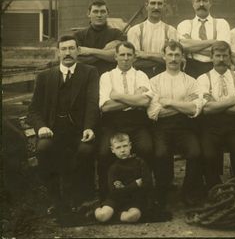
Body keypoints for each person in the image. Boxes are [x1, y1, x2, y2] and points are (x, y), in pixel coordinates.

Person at [28, 35, 99, 214]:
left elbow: (92, 103)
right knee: (43, 148)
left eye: (71, 48)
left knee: (86, 150)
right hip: (52, 130)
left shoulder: (89, 72)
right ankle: (55, 198)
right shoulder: (45, 76)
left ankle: (80, 196)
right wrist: (41, 127)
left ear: (78, 51)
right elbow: (33, 110)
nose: (68, 53)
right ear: (58, 52)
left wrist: (89, 127)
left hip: (78, 130)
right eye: (64, 49)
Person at [147, 40, 204, 211]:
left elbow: (195, 108)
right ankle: (162, 192)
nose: (173, 58)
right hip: (161, 128)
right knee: (161, 153)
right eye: (170, 54)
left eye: (177, 55)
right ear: (163, 56)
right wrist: (181, 105)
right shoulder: (154, 81)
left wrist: (169, 103)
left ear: (183, 57)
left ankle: (188, 192)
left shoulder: (191, 82)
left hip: (185, 127)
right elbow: (154, 112)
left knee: (195, 152)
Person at [98, 41, 154, 200]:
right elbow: (106, 107)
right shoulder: (106, 76)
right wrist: (133, 98)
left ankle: (144, 193)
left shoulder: (141, 75)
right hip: (112, 123)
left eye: (129, 55)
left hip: (137, 122)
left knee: (147, 148)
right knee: (103, 152)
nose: (125, 58)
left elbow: (145, 102)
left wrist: (117, 96)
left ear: (135, 57)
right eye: (122, 54)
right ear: (115, 56)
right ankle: (106, 194)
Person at [197, 41, 235, 189]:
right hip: (211, 128)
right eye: (218, 56)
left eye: (225, 56)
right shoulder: (202, 79)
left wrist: (217, 104)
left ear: (230, 57)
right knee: (208, 156)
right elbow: (206, 109)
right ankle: (215, 188)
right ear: (211, 57)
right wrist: (233, 100)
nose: (221, 59)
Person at [95, 133, 153, 223]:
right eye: (118, 147)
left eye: (125, 146)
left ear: (130, 146)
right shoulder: (113, 168)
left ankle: (115, 216)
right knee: (102, 216)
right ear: (112, 150)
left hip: (134, 199)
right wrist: (135, 184)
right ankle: (96, 209)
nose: (122, 150)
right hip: (115, 199)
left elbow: (147, 184)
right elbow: (114, 191)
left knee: (133, 216)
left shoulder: (140, 163)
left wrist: (125, 188)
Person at [177, 0, 231, 78]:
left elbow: (222, 49)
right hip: (192, 69)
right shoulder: (185, 24)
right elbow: (183, 46)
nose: (201, 4)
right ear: (193, 4)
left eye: (205, 1)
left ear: (210, 3)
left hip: (214, 67)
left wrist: (192, 46)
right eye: (198, 1)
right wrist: (212, 42)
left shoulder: (221, 23)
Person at [127, 0, 178, 78]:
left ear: (164, 6)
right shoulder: (134, 30)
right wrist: (161, 56)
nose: (156, 7)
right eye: (153, 3)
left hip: (165, 75)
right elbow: (135, 57)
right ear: (146, 6)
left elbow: (173, 57)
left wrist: (146, 55)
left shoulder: (171, 31)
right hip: (141, 75)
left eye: (160, 4)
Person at [74, 0, 125, 75]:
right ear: (88, 14)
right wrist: (106, 52)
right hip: (86, 78)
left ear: (108, 14)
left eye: (102, 12)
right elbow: (78, 58)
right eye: (95, 11)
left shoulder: (117, 34)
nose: (99, 15)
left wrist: (89, 51)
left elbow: (118, 56)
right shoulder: (79, 35)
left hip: (111, 78)